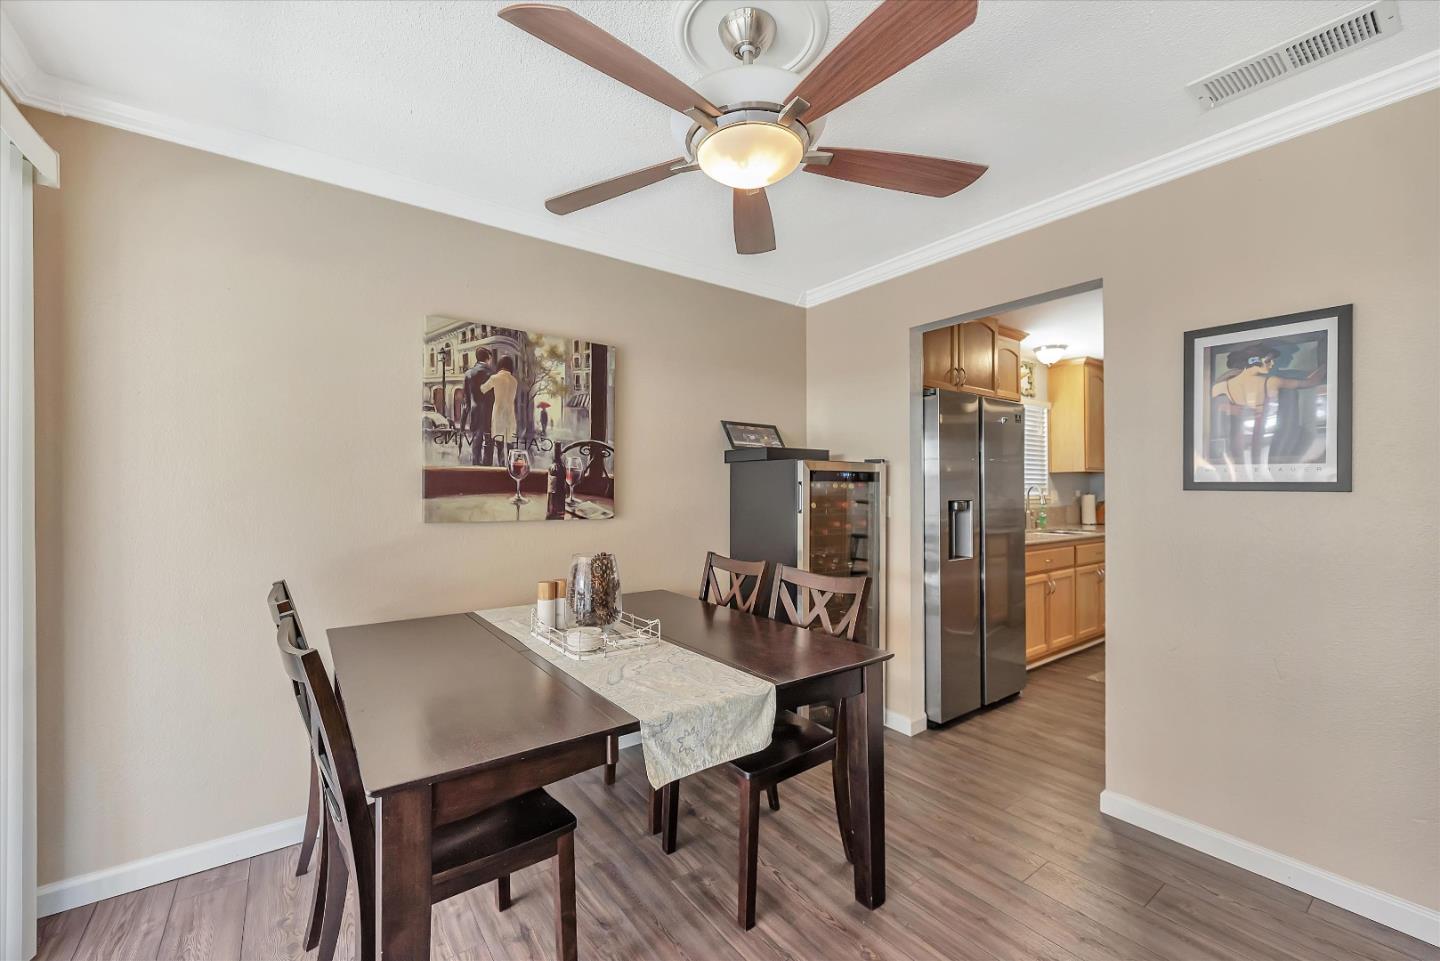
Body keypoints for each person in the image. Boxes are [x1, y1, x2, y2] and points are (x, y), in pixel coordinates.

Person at [480, 355, 519, 462]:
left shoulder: (495, 378)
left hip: (498, 413)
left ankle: (501, 465)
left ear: (500, 365)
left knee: (499, 443)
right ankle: (509, 465)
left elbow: (483, 389)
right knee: (510, 444)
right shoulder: (514, 381)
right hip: (510, 414)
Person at [460, 349, 496, 466]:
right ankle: (488, 468)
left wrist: (462, 423)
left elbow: (466, 401)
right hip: (490, 414)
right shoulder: (492, 374)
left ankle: (476, 467)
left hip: (475, 413)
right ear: (488, 358)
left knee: (476, 442)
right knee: (489, 443)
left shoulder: (468, 374)